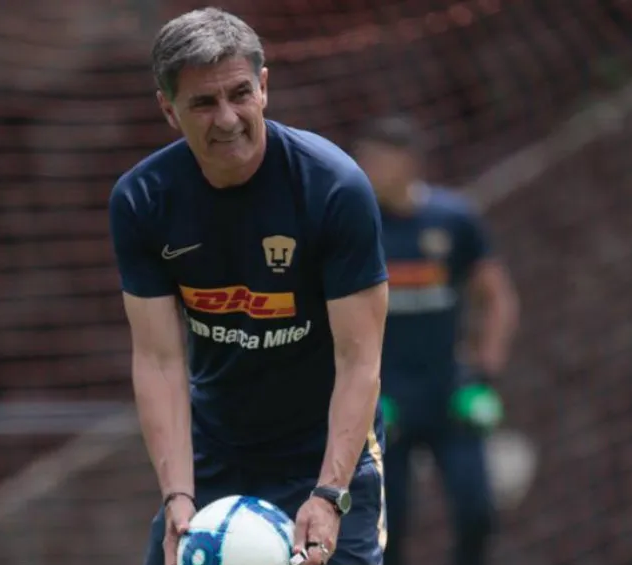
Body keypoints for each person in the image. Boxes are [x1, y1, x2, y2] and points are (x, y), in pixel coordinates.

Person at [108, 8, 389, 565]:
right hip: (215, 452)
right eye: (204, 103)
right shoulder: (142, 201)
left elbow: (360, 360)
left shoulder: (335, 188)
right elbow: (161, 360)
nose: (228, 117)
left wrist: (330, 494)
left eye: (240, 93)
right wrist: (178, 495)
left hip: (327, 452)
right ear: (169, 110)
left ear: (264, 87)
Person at [354, 116, 520, 565]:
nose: (365, 168)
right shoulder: (356, 223)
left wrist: (484, 371)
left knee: (476, 511)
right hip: (384, 400)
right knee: (390, 526)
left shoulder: (453, 218)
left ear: (407, 163)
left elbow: (498, 297)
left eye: (376, 159)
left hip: (450, 392)